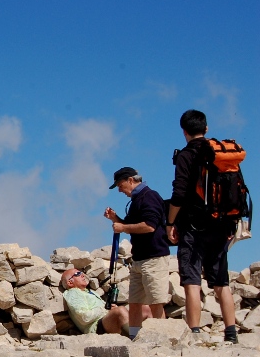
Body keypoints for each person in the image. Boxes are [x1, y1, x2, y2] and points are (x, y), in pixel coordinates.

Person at [166, 109, 238, 343]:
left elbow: (179, 194)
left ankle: (195, 333)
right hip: (222, 224)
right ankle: (231, 332)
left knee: (191, 280)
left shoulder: (187, 156)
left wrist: (170, 222)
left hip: (193, 227)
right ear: (206, 129)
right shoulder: (222, 154)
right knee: (221, 282)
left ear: (184, 131)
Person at [104, 167, 169, 339]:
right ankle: (135, 338)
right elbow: (131, 226)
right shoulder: (137, 200)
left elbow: (149, 226)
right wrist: (116, 219)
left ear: (130, 180)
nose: (119, 189)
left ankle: (163, 338)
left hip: (154, 258)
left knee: (156, 302)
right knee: (134, 302)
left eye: (120, 185)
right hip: (139, 259)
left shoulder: (149, 197)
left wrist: (122, 227)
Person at [61, 268, 129, 335]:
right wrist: (106, 309)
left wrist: (112, 309)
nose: (82, 275)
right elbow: (84, 317)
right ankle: (135, 339)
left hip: (105, 321)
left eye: (81, 272)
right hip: (96, 327)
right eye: (77, 274)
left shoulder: (88, 292)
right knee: (120, 310)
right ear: (70, 282)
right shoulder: (73, 293)